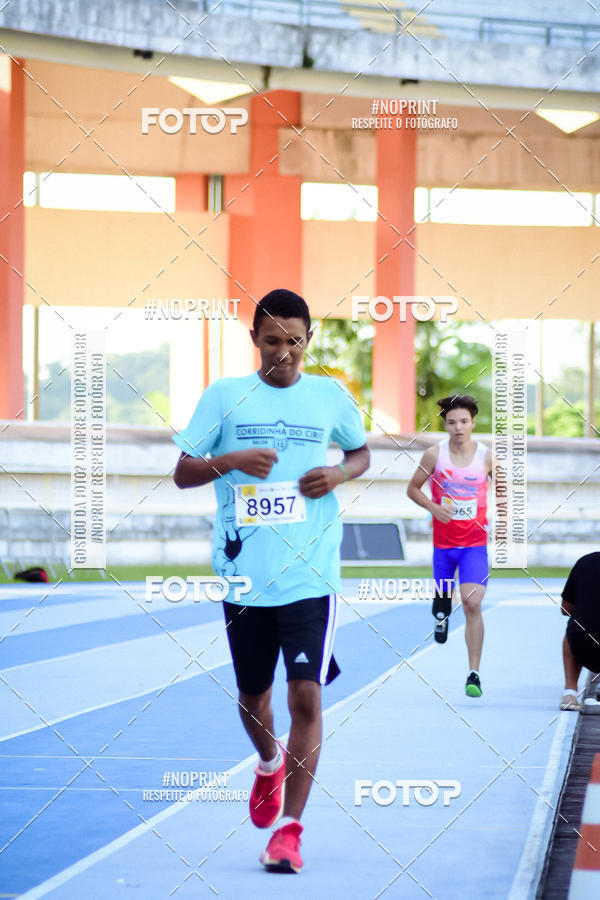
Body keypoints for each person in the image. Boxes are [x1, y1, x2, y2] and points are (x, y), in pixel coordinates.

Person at [172, 288, 370, 873]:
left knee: (305, 695)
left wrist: (337, 473)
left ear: (308, 341)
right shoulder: (224, 398)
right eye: (272, 341)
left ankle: (290, 830)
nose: (283, 353)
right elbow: (182, 473)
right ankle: (267, 764)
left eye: (295, 342)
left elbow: (360, 454)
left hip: (311, 575)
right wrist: (229, 462)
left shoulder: (331, 396)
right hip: (244, 578)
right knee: (254, 698)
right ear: (254, 340)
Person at [406, 395, 492, 698]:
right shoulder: (433, 455)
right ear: (445, 423)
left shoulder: (487, 456)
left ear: (473, 422)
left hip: (474, 545)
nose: (458, 427)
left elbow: (504, 489)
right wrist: (434, 507)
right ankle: (440, 612)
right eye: (452, 422)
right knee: (444, 598)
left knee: (472, 602)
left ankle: (473, 673)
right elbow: (412, 489)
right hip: (443, 545)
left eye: (464, 421)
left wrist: (504, 523)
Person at [559, 551, 600, 711]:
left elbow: (565, 609)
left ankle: (570, 691)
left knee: (574, 626)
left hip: (583, 646)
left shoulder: (585, 562)